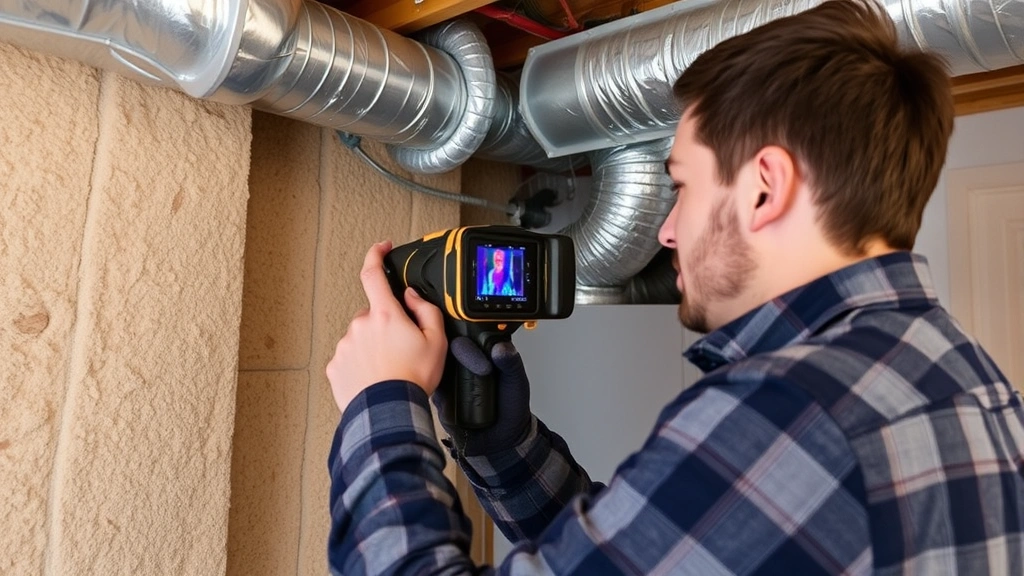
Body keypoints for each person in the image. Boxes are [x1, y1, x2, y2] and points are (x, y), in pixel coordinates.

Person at [324, 0, 1024, 573]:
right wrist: (505, 446)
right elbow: (635, 555)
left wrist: (378, 402)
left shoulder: (792, 412)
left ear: (763, 190)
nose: (665, 232)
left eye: (681, 186)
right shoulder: (960, 375)